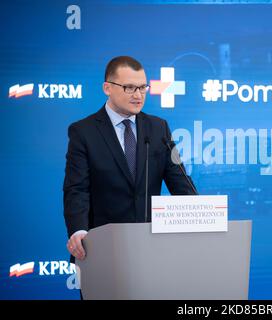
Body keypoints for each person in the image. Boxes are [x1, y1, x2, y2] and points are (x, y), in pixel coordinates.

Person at [63, 56, 196, 261]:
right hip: (100, 249)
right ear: (107, 88)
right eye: (129, 88)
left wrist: (202, 216)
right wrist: (78, 230)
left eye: (143, 88)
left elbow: (181, 182)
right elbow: (77, 189)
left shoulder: (159, 128)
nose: (138, 95)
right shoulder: (83, 131)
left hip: (153, 248)